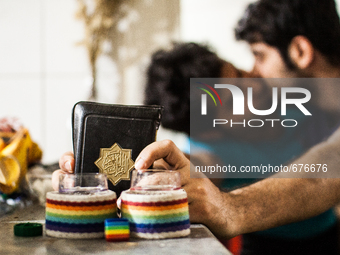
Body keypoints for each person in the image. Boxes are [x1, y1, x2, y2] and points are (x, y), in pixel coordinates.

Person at [53, 0, 340, 254]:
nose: (253, 81)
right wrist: (111, 178)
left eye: (241, 74)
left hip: (328, 234)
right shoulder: (212, 151)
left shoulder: (291, 98)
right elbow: (192, 171)